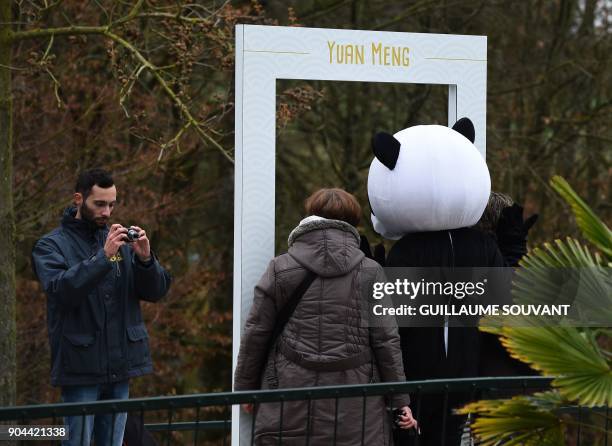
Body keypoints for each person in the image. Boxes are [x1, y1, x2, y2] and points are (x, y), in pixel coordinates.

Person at [234, 188, 417, 445]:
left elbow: (257, 332)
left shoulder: (280, 268)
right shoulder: (371, 271)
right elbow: (386, 340)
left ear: (311, 218)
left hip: (290, 394)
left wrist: (244, 391)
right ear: (353, 224)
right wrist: (400, 401)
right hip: (357, 403)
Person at [31, 168, 172, 446]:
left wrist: (145, 260)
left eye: (111, 204)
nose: (107, 212)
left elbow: (156, 291)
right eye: (99, 204)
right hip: (80, 367)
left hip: (120, 366)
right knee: (78, 442)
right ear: (78, 199)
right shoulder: (49, 246)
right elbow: (62, 291)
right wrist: (103, 257)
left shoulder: (121, 242)